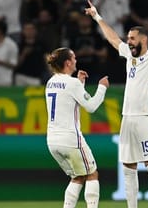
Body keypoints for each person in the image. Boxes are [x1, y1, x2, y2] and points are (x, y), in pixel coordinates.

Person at [85, 0, 148, 208]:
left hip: (145, 117)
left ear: (144, 39)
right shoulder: (128, 57)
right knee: (128, 167)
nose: (129, 41)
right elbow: (113, 39)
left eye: (132, 39)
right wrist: (97, 16)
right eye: (128, 38)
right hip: (127, 118)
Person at [45, 47, 109, 208]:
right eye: (73, 58)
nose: (76, 61)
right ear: (67, 62)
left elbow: (67, 97)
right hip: (70, 139)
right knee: (92, 174)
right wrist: (102, 88)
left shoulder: (50, 82)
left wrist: (80, 83)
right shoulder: (72, 83)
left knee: (78, 177)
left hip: (52, 141)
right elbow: (91, 106)